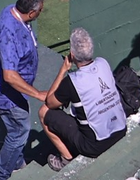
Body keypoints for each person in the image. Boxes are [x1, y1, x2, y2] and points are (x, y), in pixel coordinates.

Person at [0, 0, 46, 180]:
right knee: (20, 130)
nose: (40, 13)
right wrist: (37, 94)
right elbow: (9, 76)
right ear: (31, 13)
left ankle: (17, 163)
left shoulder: (11, 10)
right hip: (5, 96)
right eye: (40, 11)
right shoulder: (10, 33)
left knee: (15, 129)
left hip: (12, 92)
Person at [38, 28, 127, 171]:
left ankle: (66, 159)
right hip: (121, 129)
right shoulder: (103, 63)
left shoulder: (72, 82)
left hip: (95, 145)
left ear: (72, 55)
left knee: (44, 112)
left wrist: (63, 70)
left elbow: (50, 102)